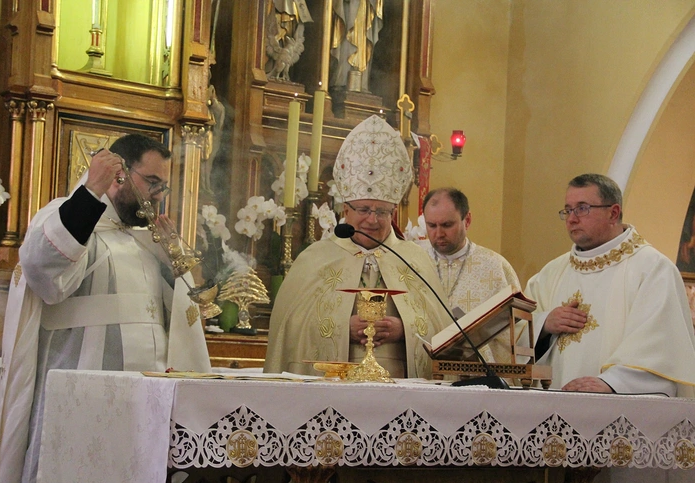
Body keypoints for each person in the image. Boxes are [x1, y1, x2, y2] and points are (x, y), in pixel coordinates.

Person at [0, 134, 212, 483]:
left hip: (143, 415)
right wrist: (90, 192)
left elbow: (176, 319)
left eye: (163, 186)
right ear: (119, 173)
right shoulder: (69, 217)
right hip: (79, 409)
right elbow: (43, 270)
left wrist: (175, 264)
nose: (158, 196)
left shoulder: (146, 240)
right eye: (152, 183)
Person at [265, 114, 453, 378]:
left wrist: (405, 329)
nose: (372, 220)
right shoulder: (315, 258)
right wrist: (342, 326)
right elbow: (289, 328)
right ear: (345, 209)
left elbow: (443, 331)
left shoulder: (414, 260)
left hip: (401, 388)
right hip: (335, 387)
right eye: (364, 209)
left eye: (383, 212)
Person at [525, 173, 695, 396]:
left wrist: (614, 382)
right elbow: (515, 329)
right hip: (554, 405)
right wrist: (544, 324)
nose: (571, 218)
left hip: (618, 408)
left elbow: (660, 345)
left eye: (582, 208)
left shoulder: (652, 269)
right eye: (568, 209)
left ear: (613, 213)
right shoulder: (551, 273)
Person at [418, 187, 521, 363]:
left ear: (467, 220)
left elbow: (516, 332)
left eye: (447, 225)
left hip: (476, 373)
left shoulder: (495, 267)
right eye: (431, 225)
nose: (439, 234)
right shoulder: (414, 261)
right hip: (424, 369)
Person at [330, 0, 383, 92]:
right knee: (346, 38)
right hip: (349, 6)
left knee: (363, 42)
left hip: (364, 7)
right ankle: (342, 80)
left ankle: (361, 83)